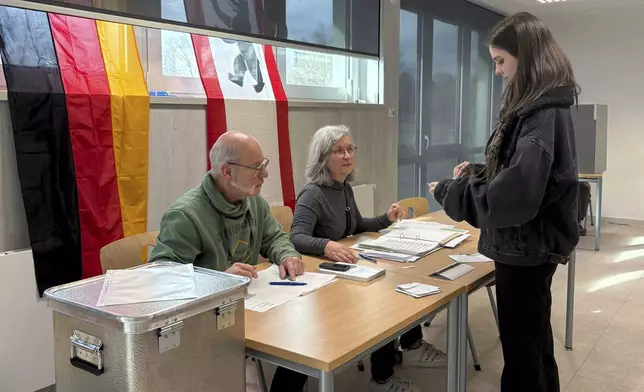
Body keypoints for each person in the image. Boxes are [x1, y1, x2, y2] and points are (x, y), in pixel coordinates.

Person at [428, 12, 580, 392]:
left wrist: (452, 191)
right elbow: (523, 171)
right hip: (532, 246)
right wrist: (481, 171)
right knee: (534, 341)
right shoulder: (546, 107)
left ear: (525, 56)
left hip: (524, 247)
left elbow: (515, 196)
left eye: (500, 61)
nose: (496, 71)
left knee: (522, 355)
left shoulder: (542, 114)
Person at [284, 125, 446, 392]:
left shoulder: (343, 188)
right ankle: (383, 376)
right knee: (381, 302)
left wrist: (385, 219)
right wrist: (325, 245)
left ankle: (408, 346)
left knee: (393, 289)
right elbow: (296, 237)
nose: (347, 155)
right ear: (323, 157)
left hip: (346, 268)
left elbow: (356, 225)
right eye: (338, 151)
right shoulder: (313, 193)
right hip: (320, 278)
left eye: (350, 149)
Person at [149, 132, 306, 391]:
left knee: (304, 333)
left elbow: (275, 237)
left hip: (253, 309)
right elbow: (162, 278)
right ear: (227, 172)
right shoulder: (186, 215)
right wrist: (219, 279)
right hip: (206, 325)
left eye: (263, 165)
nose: (264, 175)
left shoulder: (254, 202)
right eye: (257, 168)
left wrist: (286, 254)